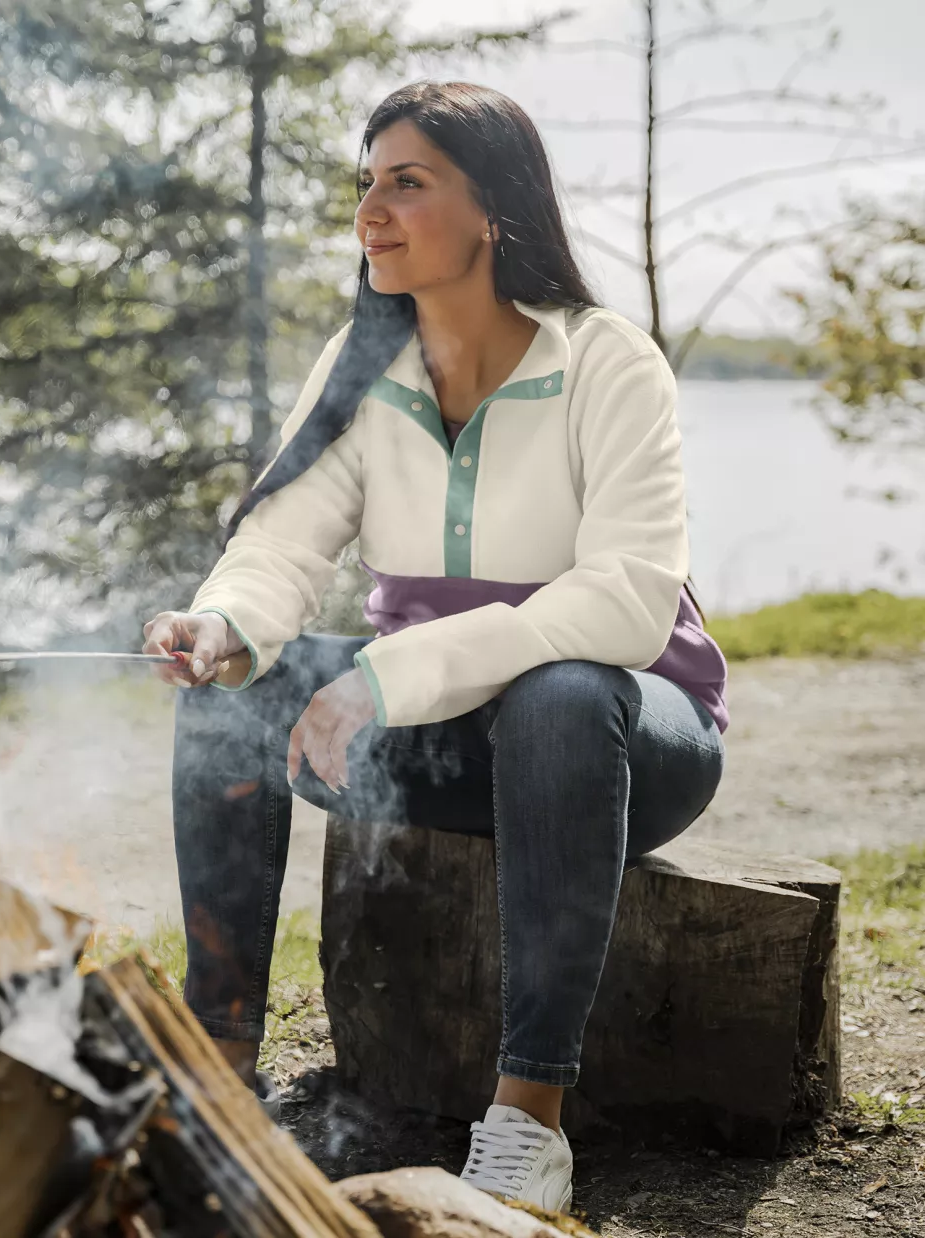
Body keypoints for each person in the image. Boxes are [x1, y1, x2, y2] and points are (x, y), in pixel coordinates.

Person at [143, 79, 728, 1214]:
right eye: (366, 182)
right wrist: (223, 624)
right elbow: (283, 539)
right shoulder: (364, 367)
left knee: (559, 692)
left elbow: (622, 604)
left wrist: (383, 673)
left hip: (623, 741)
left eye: (407, 182)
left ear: (494, 210)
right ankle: (215, 1070)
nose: (372, 209)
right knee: (232, 690)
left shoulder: (608, 362)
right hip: (436, 741)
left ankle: (525, 1122)